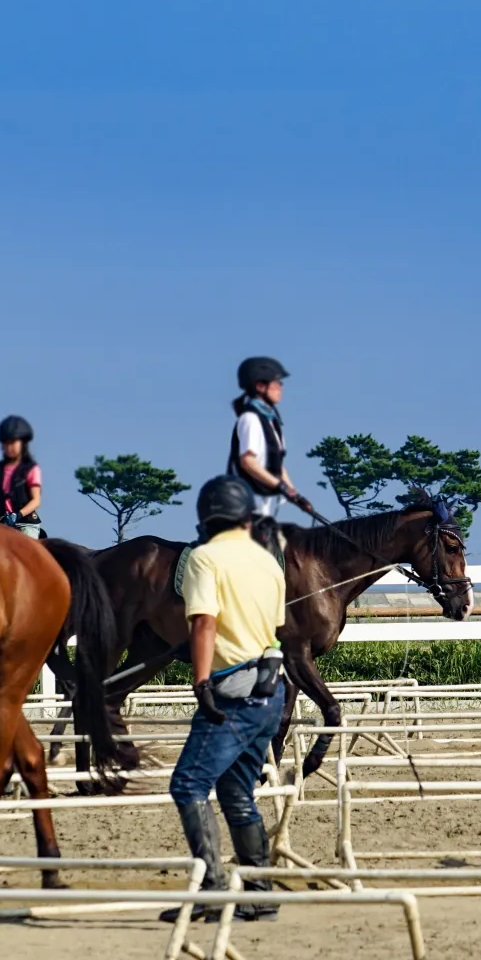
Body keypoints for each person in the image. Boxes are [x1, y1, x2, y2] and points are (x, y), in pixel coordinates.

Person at [164, 475, 289, 923]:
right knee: (237, 791)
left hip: (231, 691)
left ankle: (214, 889)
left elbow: (203, 623)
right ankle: (259, 891)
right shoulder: (269, 561)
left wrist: (200, 683)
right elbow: (273, 624)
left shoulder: (204, 558)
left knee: (188, 785)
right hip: (270, 691)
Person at [226, 357, 310, 554]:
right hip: (246, 504)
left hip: (265, 506)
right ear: (260, 386)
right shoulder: (250, 419)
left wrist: (295, 494)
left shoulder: (272, 422)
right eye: (277, 383)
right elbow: (248, 462)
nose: (280, 388)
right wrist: (279, 486)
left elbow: (278, 465)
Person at [0, 416, 44, 539]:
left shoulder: (31, 469)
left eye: (13, 442)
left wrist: (18, 515)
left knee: (25, 551)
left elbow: (36, 501)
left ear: (23, 444)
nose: (9, 447)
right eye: (6, 443)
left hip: (24, 524)